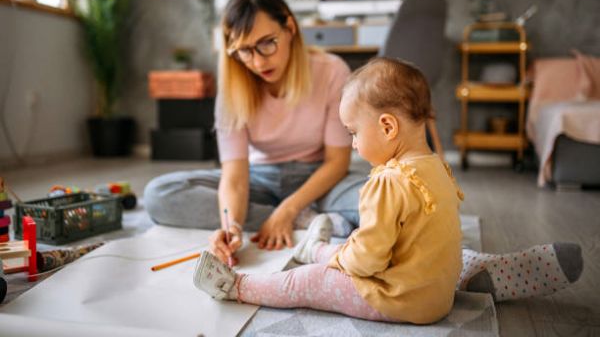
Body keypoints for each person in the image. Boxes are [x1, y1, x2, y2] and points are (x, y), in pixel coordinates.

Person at [192, 58, 583, 324]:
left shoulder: (386, 181)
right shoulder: (436, 167)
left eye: (354, 134)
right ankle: (316, 244)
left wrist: (338, 264)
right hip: (437, 292)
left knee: (307, 281)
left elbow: (367, 261)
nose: (355, 145)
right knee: (417, 246)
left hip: (401, 300)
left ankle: (235, 286)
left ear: (387, 127)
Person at [144, 0, 364, 262]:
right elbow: (235, 176)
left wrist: (288, 209)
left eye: (267, 43)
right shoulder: (233, 87)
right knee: (158, 195)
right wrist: (231, 226)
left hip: (320, 181)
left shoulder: (332, 71)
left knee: (383, 200)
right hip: (258, 180)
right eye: (245, 51)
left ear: (290, 27)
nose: (258, 61)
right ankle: (313, 222)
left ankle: (293, 217)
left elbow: (337, 162)